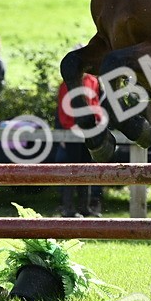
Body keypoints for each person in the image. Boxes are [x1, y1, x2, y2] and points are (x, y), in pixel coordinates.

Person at [56, 73, 104, 217]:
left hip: (89, 129)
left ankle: (84, 207)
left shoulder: (93, 81)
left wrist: (99, 122)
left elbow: (95, 102)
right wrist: (66, 131)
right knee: (72, 169)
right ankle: (68, 208)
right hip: (72, 130)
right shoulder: (67, 83)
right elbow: (63, 108)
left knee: (86, 168)